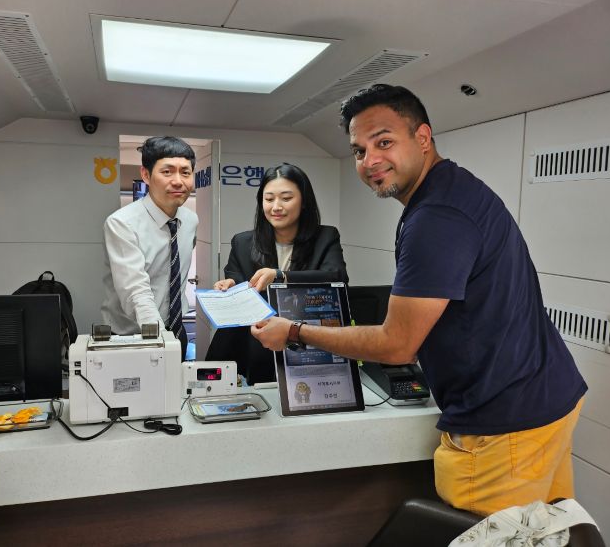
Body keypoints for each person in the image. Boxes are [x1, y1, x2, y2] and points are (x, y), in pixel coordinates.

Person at [251, 84, 587, 516]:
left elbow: (397, 345)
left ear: (423, 138)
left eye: (384, 142)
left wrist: (295, 331)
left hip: (503, 427)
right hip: (548, 401)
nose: (370, 161)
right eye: (359, 150)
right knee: (544, 535)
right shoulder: (455, 189)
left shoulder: (436, 218)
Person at [206, 163, 348, 384]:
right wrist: (230, 286)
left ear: (304, 202)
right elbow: (236, 281)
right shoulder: (243, 242)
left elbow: (336, 278)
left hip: (306, 345)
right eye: (269, 199)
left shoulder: (326, 237)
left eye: (286, 198)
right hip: (253, 346)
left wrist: (280, 276)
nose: (276, 207)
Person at [101, 136, 197, 360]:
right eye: (167, 172)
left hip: (176, 330)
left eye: (185, 172)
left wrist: (172, 340)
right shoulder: (122, 223)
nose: (178, 181)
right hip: (132, 338)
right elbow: (136, 292)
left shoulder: (191, 220)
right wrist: (163, 343)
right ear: (146, 175)